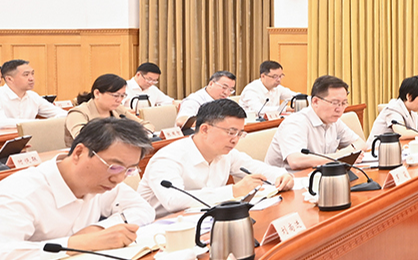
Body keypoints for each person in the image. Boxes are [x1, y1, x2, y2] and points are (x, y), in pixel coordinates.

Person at [0, 117, 155, 260]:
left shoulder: (103, 184)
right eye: (114, 167)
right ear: (79, 153)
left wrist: (98, 229)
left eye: (129, 170)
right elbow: (3, 253)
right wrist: (79, 243)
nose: (119, 179)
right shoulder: (20, 192)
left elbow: (143, 209)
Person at [138, 99, 292, 218]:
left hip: (206, 221)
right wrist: (234, 191)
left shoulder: (226, 154)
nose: (235, 140)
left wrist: (283, 176)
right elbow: (174, 201)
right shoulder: (168, 158)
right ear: (205, 129)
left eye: (240, 134)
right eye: (231, 132)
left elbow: (257, 168)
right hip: (161, 231)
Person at [264, 75, 365, 170]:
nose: (340, 109)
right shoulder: (295, 123)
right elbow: (296, 161)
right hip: (287, 180)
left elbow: (361, 143)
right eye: (335, 103)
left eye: (343, 103)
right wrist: (340, 156)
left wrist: (345, 154)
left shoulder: (333, 121)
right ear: (315, 101)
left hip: (318, 176)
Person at [64, 73, 156, 148]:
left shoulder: (118, 109)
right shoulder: (78, 113)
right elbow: (84, 139)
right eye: (115, 95)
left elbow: (146, 125)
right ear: (97, 93)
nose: (119, 100)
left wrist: (143, 133)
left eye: (122, 96)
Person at [0, 59, 64, 129]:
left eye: (32, 74)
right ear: (9, 79)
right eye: (26, 75)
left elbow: (59, 113)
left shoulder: (33, 96)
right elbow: (2, 122)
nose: (31, 78)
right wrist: (39, 123)